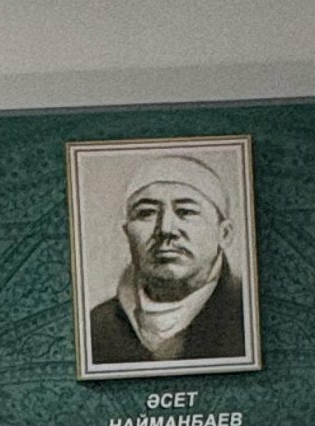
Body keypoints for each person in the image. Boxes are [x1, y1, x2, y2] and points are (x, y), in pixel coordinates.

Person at [85, 151, 250, 366]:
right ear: (127, 233)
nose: (165, 229)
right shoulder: (95, 328)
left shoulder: (249, 315)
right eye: (146, 213)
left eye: (186, 211)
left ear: (224, 234)